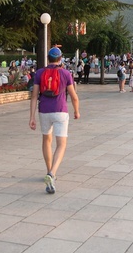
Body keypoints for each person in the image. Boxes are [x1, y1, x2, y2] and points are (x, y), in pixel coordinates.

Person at [29, 47, 80, 194]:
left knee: (46, 140)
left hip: (44, 110)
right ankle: (52, 173)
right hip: (60, 110)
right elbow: (73, 96)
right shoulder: (65, 73)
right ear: (60, 58)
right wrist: (76, 111)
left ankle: (48, 170)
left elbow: (34, 96)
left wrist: (31, 117)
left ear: (48, 58)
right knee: (61, 144)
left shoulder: (40, 72)